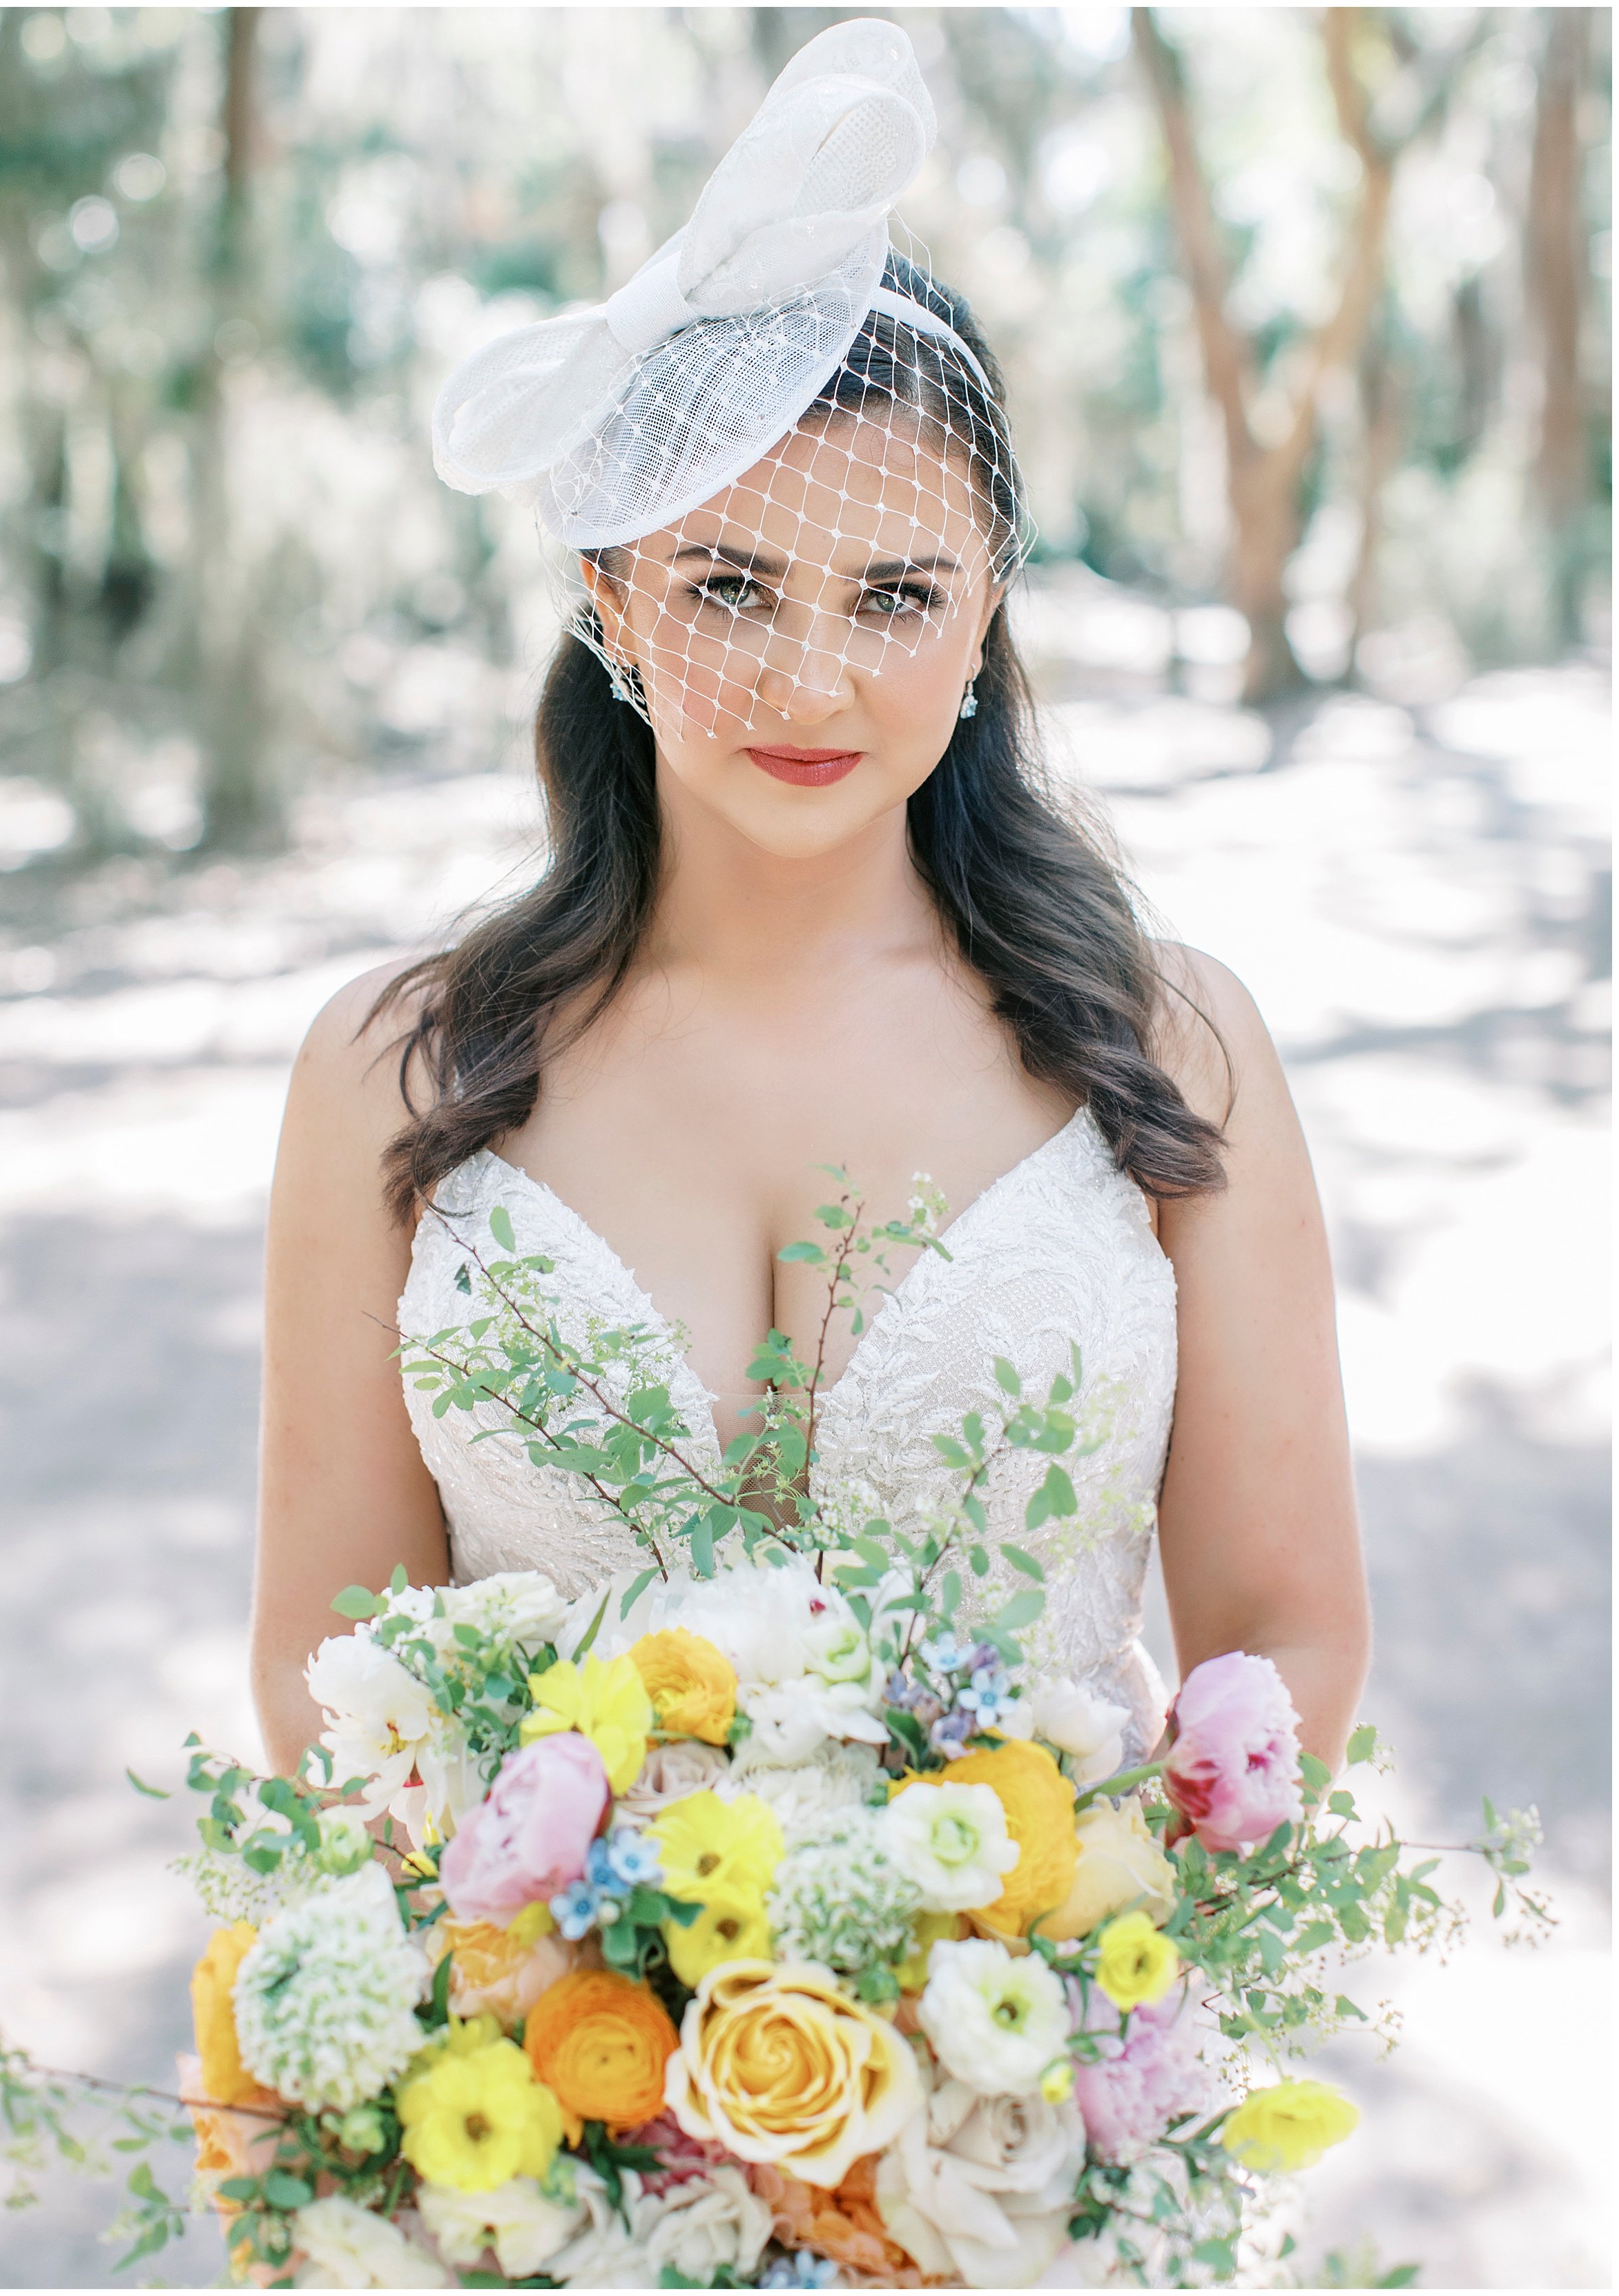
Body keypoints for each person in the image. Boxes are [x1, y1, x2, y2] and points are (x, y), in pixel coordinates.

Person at [251, 19, 1368, 1794]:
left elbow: (1279, 1641)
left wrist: (1048, 1980)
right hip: (541, 2043)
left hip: (1047, 2040)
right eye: (729, 587)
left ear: (987, 601)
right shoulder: (395, 1072)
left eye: (895, 594)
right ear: (609, 601)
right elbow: (329, 1675)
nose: (812, 679)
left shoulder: (1168, 1050)